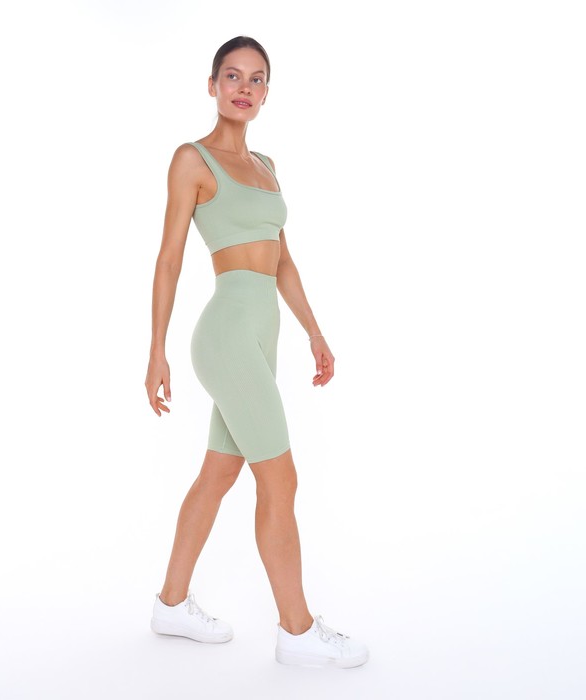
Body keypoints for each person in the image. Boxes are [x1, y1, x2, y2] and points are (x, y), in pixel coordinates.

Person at [144, 35, 369, 669]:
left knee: (220, 472)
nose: (244, 87)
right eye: (232, 75)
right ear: (212, 85)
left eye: (257, 78)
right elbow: (168, 260)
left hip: (263, 334)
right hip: (226, 336)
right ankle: (297, 632)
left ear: (267, 92)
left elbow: (283, 261)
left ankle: (170, 604)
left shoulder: (268, 165)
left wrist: (314, 332)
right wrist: (156, 351)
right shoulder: (192, 159)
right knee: (280, 476)